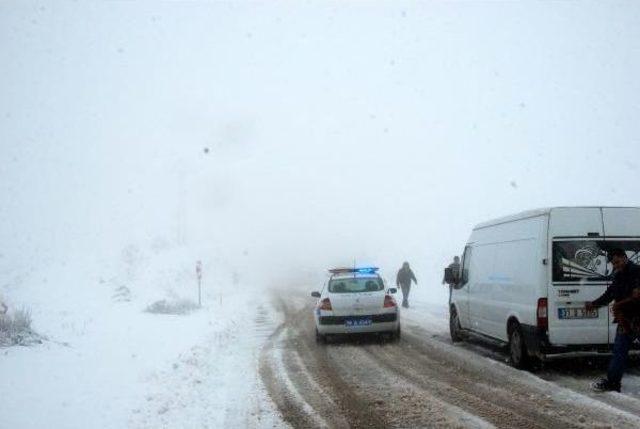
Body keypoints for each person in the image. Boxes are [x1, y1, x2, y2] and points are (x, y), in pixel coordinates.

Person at [585, 248, 640, 392]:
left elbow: (637, 296)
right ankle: (613, 383)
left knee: (620, 351)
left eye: (617, 262)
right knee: (619, 351)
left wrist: (619, 305)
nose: (615, 266)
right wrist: (594, 304)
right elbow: (610, 294)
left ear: (624, 257)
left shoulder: (636, 272)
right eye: (613, 264)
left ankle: (613, 382)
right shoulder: (618, 275)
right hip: (625, 319)